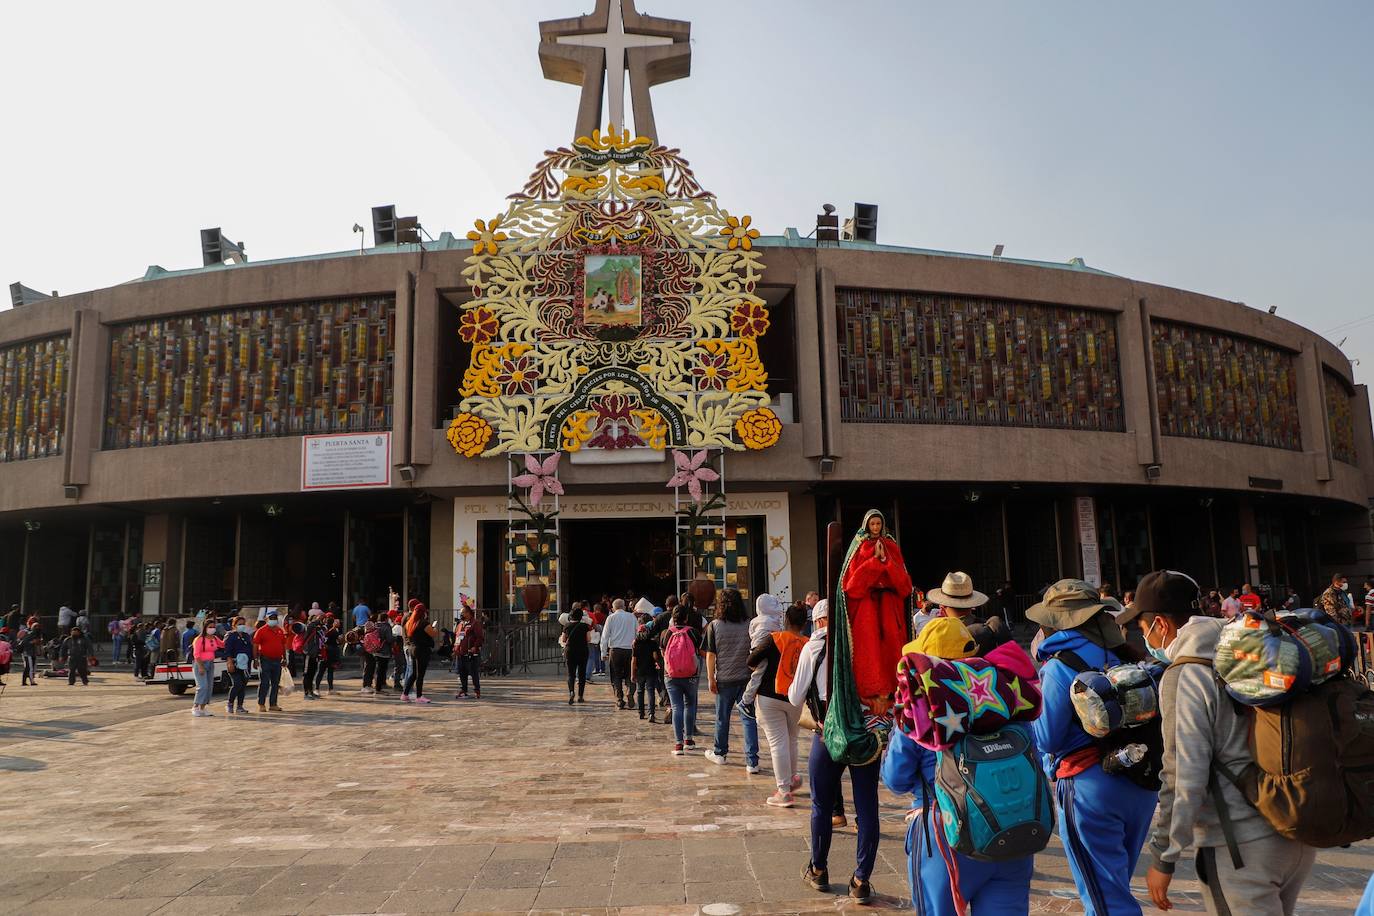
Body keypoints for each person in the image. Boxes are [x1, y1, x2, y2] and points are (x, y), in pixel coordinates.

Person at [1126, 570, 1317, 915]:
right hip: (1293, 832)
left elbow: (1183, 774)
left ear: (1161, 625)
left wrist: (1164, 857)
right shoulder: (1249, 654)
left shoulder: (1184, 675)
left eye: (1141, 628)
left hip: (1240, 849)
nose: (1144, 638)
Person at [881, 616, 1038, 916]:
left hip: (946, 833)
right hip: (1012, 826)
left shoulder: (921, 707)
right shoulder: (1003, 695)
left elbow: (895, 778)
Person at [1029, 579, 1157, 916]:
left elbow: (1048, 738)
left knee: (1107, 901)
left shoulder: (1058, 666)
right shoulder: (1123, 653)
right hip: (1140, 783)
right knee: (1113, 886)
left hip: (1089, 786)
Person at [791, 599, 878, 902]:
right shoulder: (864, 644)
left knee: (821, 804)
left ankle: (818, 868)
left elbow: (794, 696)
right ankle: (862, 878)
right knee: (867, 806)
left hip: (828, 733)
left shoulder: (814, 647)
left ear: (818, 622)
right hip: (864, 732)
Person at [842, 509, 913, 708]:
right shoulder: (860, 548)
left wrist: (886, 562)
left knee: (893, 645)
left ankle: (895, 688)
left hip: (890, 606)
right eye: (872, 524)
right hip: (867, 608)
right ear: (867, 525)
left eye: (878, 524)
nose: (875, 528)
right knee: (869, 647)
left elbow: (905, 586)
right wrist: (874, 563)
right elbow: (852, 587)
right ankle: (870, 691)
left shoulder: (891, 546)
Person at [748, 603, 808, 807]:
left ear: (786, 621)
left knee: (777, 744)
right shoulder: (807, 643)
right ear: (805, 623)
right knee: (792, 740)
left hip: (769, 696)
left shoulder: (775, 638)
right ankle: (791, 780)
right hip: (795, 698)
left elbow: (752, 659)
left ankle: (783, 791)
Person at [703, 588, 761, 773]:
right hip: (745, 679)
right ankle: (752, 761)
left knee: (722, 718)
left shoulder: (715, 625)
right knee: (748, 718)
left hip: (725, 679)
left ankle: (720, 753)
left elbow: (711, 655)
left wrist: (710, 678)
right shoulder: (749, 624)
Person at [660, 603, 704, 755]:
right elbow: (701, 651)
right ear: (686, 618)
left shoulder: (667, 633)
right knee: (690, 705)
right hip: (691, 675)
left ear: (672, 618)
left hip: (671, 675)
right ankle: (689, 740)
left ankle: (678, 744)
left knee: (676, 707)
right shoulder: (692, 632)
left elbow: (663, 652)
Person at [739, 593, 786, 720]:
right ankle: (746, 700)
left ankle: (749, 700)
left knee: (758, 674)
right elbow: (778, 634)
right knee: (758, 675)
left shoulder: (756, 620)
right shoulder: (769, 621)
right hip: (762, 649)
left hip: (756, 648)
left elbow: (751, 634)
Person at [600, 598, 637, 708]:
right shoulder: (632, 617)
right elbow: (637, 633)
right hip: (630, 650)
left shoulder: (611, 618)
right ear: (624, 607)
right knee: (630, 674)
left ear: (613, 608)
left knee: (616, 675)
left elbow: (605, 636)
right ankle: (630, 692)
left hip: (615, 650)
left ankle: (619, 699)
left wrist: (603, 652)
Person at [253, 610, 289, 711]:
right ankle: (261, 704)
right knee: (264, 682)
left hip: (277, 660)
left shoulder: (280, 630)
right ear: (266, 619)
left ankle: (273, 704)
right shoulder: (261, 631)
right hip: (265, 659)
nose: (273, 620)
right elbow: (255, 646)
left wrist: (284, 658)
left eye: (275, 618)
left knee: (275, 683)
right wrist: (255, 659)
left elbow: (283, 645)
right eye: (271, 618)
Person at [403, 603, 437, 704]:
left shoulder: (409, 623)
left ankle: (405, 694)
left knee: (414, 673)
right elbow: (433, 633)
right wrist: (434, 627)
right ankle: (419, 696)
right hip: (422, 650)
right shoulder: (423, 623)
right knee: (420, 674)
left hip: (412, 649)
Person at [190, 619, 223, 717]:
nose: (212, 629)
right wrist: (200, 666)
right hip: (200, 663)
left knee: (209, 687)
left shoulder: (215, 638)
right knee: (202, 686)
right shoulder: (199, 639)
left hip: (210, 663)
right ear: (205, 628)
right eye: (210, 627)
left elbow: (222, 644)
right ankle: (195, 706)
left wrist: (228, 635)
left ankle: (203, 708)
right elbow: (196, 654)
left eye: (213, 627)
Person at [630, 618, 660, 722]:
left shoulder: (635, 644)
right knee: (651, 691)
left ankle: (641, 713)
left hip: (639, 671)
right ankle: (651, 713)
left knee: (640, 691)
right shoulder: (652, 643)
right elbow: (655, 657)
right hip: (650, 670)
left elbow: (633, 661)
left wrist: (632, 674)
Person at [358, 611, 393, 696]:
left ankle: (376, 687)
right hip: (384, 652)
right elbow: (389, 639)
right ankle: (378, 688)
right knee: (381, 670)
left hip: (375, 650)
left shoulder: (375, 626)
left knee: (377, 670)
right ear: (386, 619)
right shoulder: (386, 627)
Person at [562, 607, 593, 704]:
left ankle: (571, 691)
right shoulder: (585, 626)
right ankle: (580, 696)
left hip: (570, 651)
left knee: (571, 674)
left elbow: (563, 639)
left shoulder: (567, 626)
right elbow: (588, 639)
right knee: (581, 673)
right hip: (582, 651)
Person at [454, 604, 484, 699]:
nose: (461, 615)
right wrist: (455, 648)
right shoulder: (460, 624)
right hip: (460, 653)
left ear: (468, 613)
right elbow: (457, 637)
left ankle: (477, 690)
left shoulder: (475, 623)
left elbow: (480, 637)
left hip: (470, 653)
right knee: (462, 673)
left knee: (473, 672)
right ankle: (463, 690)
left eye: (462, 613)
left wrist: (475, 647)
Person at [223, 616, 252, 714]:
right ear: (234, 625)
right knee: (237, 683)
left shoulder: (246, 636)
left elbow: (250, 649)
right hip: (234, 663)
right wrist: (229, 661)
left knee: (243, 685)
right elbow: (227, 650)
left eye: (243, 624)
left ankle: (240, 706)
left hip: (245, 664)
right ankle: (230, 703)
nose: (242, 626)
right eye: (239, 624)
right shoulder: (230, 636)